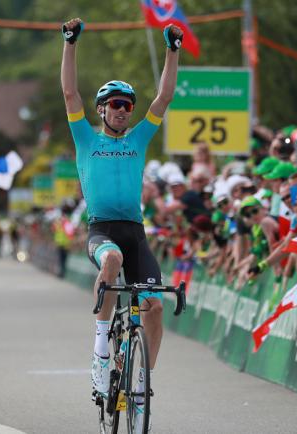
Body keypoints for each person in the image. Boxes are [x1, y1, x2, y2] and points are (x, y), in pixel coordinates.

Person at [60, 16, 183, 415]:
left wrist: (171, 50)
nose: (123, 110)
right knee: (111, 261)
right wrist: (70, 43)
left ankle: (143, 381)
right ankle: (99, 354)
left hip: (136, 232)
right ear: (101, 109)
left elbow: (162, 98)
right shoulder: (85, 137)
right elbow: (68, 92)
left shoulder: (138, 138)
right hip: (102, 231)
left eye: (128, 105)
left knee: (156, 307)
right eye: (115, 104)